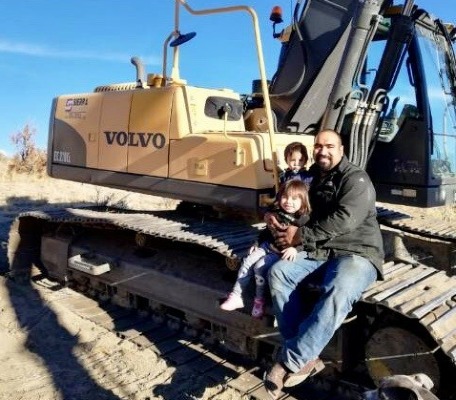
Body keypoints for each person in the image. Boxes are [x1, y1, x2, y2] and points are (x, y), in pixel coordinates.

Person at [263, 129, 385, 399]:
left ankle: (289, 361)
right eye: (318, 146)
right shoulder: (313, 179)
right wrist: (274, 215)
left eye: (329, 146)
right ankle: (306, 357)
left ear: (341, 149)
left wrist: (301, 236)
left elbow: (345, 219)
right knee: (279, 273)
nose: (322, 151)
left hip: (358, 252)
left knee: (339, 288)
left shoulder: (356, 179)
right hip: (322, 249)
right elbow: (300, 207)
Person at [220, 179, 311, 319]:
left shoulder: (303, 220)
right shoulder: (277, 213)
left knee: (259, 267)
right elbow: (267, 231)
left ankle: (259, 300)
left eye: (294, 198)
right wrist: (257, 243)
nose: (288, 201)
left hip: (280, 252)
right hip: (267, 246)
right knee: (247, 262)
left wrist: (296, 250)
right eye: (285, 197)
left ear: (303, 201)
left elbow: (306, 239)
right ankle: (236, 295)